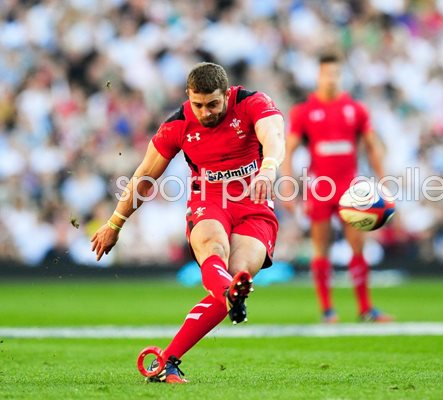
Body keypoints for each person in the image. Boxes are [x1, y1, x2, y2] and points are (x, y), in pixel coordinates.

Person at [90, 62, 285, 383]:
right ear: (188, 97)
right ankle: (229, 294)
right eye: (198, 105)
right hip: (208, 201)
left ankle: (167, 360)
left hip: (254, 204)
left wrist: (269, 167)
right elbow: (144, 176)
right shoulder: (178, 124)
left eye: (213, 104)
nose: (205, 112)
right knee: (215, 252)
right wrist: (115, 222)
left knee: (237, 275)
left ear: (227, 94)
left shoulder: (252, 103)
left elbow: (274, 135)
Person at [281, 53, 393, 323]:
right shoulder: (304, 111)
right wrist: (287, 183)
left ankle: (365, 308)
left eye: (335, 74)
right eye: (326, 73)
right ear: (319, 76)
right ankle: (327, 309)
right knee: (321, 247)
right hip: (320, 188)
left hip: (351, 188)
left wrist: (383, 179)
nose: (331, 78)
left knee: (358, 246)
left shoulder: (356, 109)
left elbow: (371, 146)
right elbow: (289, 149)